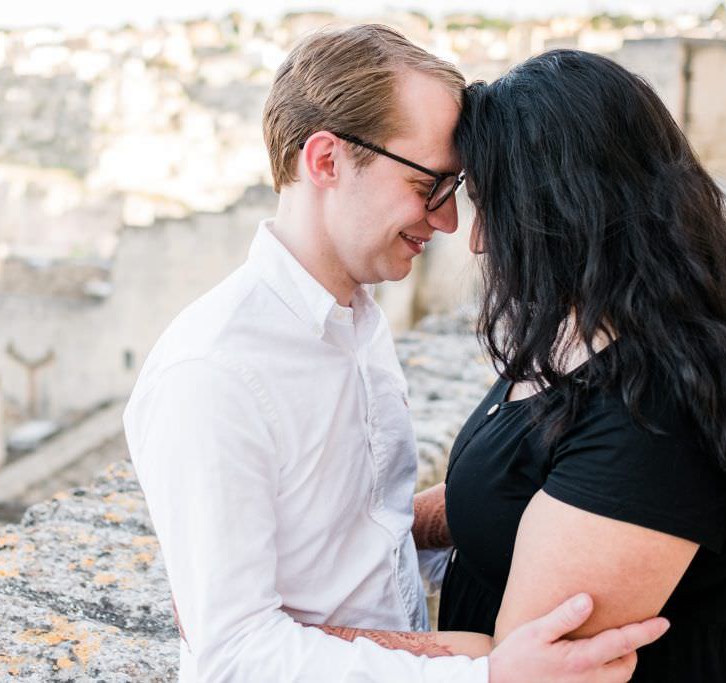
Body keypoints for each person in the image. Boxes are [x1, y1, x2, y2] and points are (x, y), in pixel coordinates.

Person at [124, 27, 669, 682]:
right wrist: (485, 674)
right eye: (427, 185)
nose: (446, 224)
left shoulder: (358, 324)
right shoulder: (213, 372)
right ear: (326, 161)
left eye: (454, 189)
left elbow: (363, 541)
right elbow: (233, 654)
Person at [418, 49, 726, 682]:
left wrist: (276, 634)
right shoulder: (588, 324)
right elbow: (512, 488)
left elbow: (536, 666)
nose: (479, 240)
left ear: (566, 209)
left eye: (494, 207)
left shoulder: (655, 406)